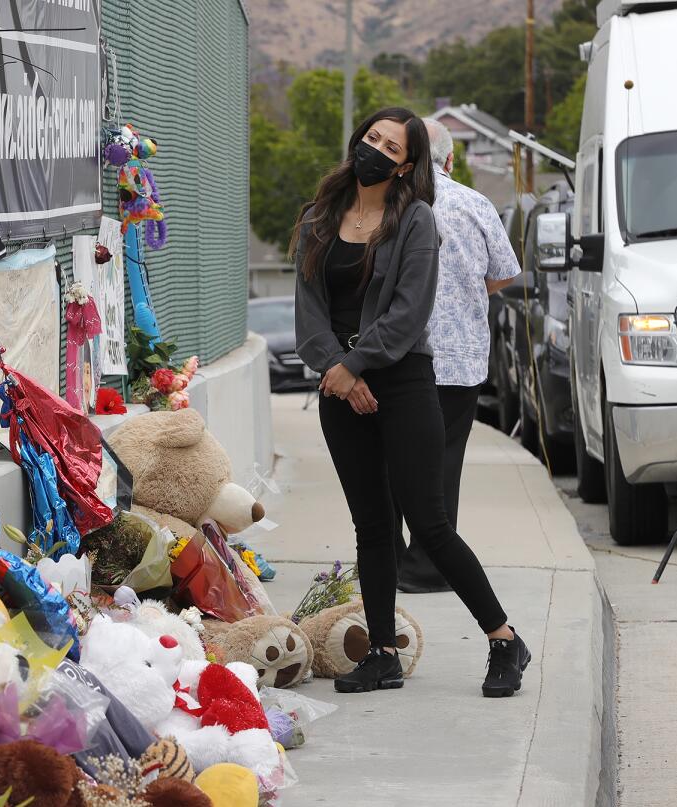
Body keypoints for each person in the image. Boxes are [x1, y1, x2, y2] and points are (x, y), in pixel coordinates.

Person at [292, 107, 530, 697]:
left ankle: (504, 640)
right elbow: (308, 310)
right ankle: (381, 654)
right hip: (338, 388)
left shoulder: (417, 220)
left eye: (390, 147)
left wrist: (355, 365)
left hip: (403, 384)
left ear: (407, 166)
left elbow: (408, 312)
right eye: (371, 137)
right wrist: (334, 368)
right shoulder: (320, 217)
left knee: (429, 522)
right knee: (372, 528)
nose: (373, 149)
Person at [392, 119, 522, 593]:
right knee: (444, 462)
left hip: (398, 356)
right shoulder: (474, 202)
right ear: (449, 160)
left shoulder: (392, 201)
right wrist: (470, 288)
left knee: (392, 460)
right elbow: (505, 272)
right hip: (460, 360)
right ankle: (430, 566)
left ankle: (394, 560)